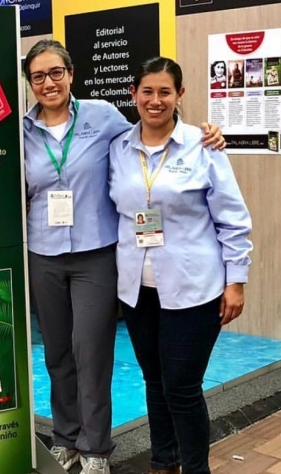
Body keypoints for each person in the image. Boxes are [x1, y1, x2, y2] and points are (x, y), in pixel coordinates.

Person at [23, 40, 224, 474]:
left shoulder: (103, 116)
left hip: (97, 253)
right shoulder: (21, 131)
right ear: (29, 83)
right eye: (38, 76)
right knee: (57, 353)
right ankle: (65, 438)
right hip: (43, 252)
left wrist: (207, 134)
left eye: (56, 72)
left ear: (71, 73)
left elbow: (155, 132)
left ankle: (95, 448)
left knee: (92, 352)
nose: (49, 82)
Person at [109, 57, 252, 474]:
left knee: (183, 388)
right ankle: (162, 461)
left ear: (180, 95)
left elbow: (233, 217)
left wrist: (236, 281)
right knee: (155, 381)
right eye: (147, 91)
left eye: (165, 92)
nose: (155, 101)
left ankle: (194, 468)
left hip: (194, 288)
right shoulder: (119, 147)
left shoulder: (203, 146)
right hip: (137, 288)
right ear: (133, 94)